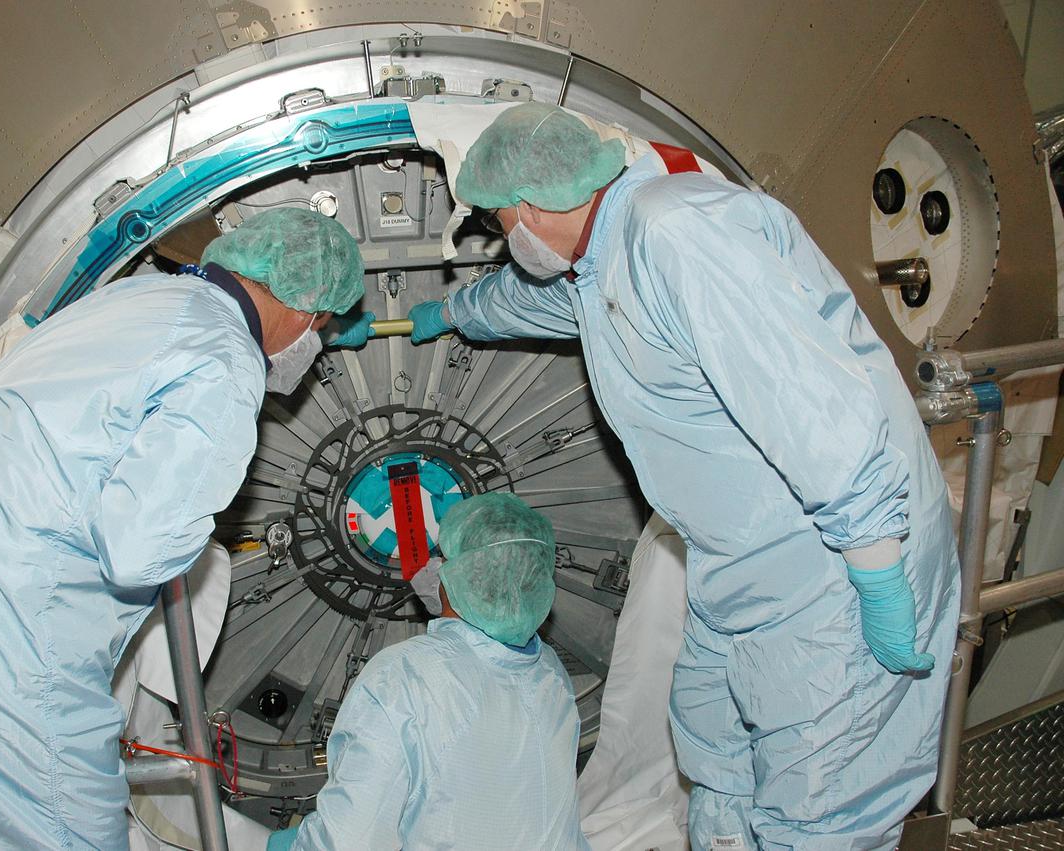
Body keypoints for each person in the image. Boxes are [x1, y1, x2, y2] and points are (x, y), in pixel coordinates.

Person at [400, 103, 959, 850]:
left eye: (502, 223)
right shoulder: (605, 253)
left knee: (821, 808)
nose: (509, 241)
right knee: (712, 741)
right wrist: (453, 312)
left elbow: (810, 403)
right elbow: (541, 299)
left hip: (834, 565)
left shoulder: (676, 234)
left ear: (533, 206)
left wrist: (877, 565)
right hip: (742, 564)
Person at [0, 206, 364, 849]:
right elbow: (140, 551)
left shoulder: (143, 297)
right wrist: (202, 527)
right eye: (323, 324)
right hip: (9, 640)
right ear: (307, 309)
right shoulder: (224, 360)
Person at [267, 492, 590, 851]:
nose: (434, 566)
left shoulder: (403, 676)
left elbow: (347, 841)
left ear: (461, 573)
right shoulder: (551, 674)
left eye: (443, 558)